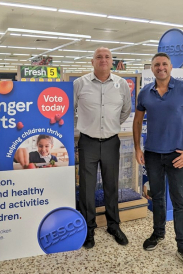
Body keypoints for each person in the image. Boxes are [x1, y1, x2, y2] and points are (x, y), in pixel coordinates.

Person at [133, 52, 183, 274]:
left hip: (178, 156)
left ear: (171, 67)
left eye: (164, 64)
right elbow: (137, 121)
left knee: (180, 203)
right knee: (157, 198)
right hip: (153, 155)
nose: (160, 67)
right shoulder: (145, 92)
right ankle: (158, 233)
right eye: (157, 64)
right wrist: (138, 147)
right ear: (152, 68)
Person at [74, 47, 131, 249]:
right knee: (87, 188)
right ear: (92, 61)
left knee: (111, 186)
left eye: (107, 57)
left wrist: (112, 125)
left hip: (111, 142)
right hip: (87, 141)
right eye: (99, 57)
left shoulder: (121, 84)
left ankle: (113, 225)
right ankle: (88, 229)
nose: (103, 60)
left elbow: (126, 110)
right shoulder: (79, 84)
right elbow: (70, 110)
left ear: (112, 62)